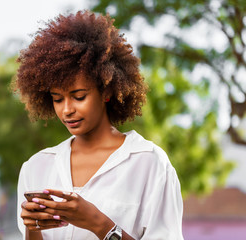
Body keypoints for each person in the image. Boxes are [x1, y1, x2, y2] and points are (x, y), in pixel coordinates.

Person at [15, 10, 184, 240]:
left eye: (79, 96)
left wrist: (99, 223)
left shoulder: (149, 162)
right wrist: (32, 227)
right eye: (57, 99)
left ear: (106, 90)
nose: (67, 110)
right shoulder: (37, 167)